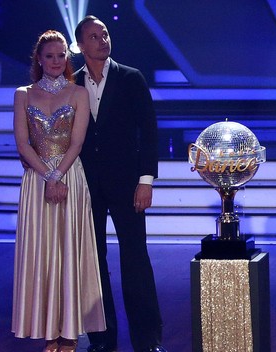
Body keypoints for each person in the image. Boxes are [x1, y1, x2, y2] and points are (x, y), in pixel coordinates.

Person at [73, 15, 165, 352]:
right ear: (80, 45)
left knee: (135, 259)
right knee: (93, 261)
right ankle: (101, 338)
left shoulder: (130, 78)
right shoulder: (72, 82)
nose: (102, 40)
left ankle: (148, 339)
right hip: (85, 185)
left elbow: (149, 130)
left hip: (128, 184)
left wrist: (146, 180)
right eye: (94, 37)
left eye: (105, 34)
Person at [11, 30, 106, 352]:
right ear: (39, 59)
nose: (55, 61)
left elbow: (77, 142)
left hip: (70, 178)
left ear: (68, 57)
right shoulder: (23, 93)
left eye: (61, 55)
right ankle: (49, 330)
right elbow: (23, 143)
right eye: (49, 56)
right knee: (43, 255)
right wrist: (48, 177)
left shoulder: (77, 93)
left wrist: (58, 176)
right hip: (38, 181)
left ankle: (70, 333)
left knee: (69, 252)